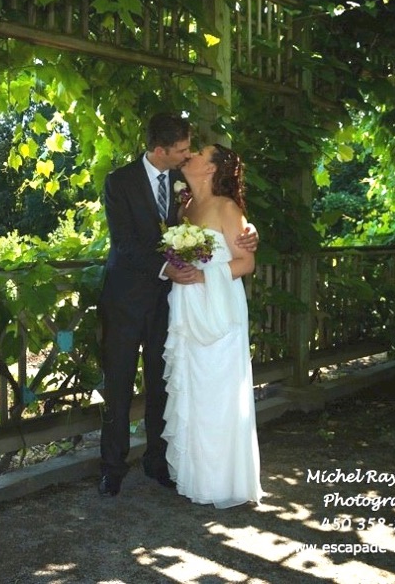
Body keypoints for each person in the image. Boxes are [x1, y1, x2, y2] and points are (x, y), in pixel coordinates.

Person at [97, 114, 258, 497]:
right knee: (117, 386)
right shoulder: (119, 182)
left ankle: (158, 462)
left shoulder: (184, 189)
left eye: (191, 150)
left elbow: (224, 223)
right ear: (160, 150)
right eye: (182, 150)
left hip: (170, 306)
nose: (187, 155)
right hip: (124, 301)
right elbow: (124, 243)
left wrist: (249, 233)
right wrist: (169, 268)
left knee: (162, 386)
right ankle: (112, 469)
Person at [161, 143, 264, 507]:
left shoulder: (226, 207)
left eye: (199, 153)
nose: (190, 156)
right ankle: (198, 479)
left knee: (219, 392)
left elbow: (245, 264)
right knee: (194, 390)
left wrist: (204, 278)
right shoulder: (184, 206)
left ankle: (224, 482)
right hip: (187, 309)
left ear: (211, 169)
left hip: (218, 309)